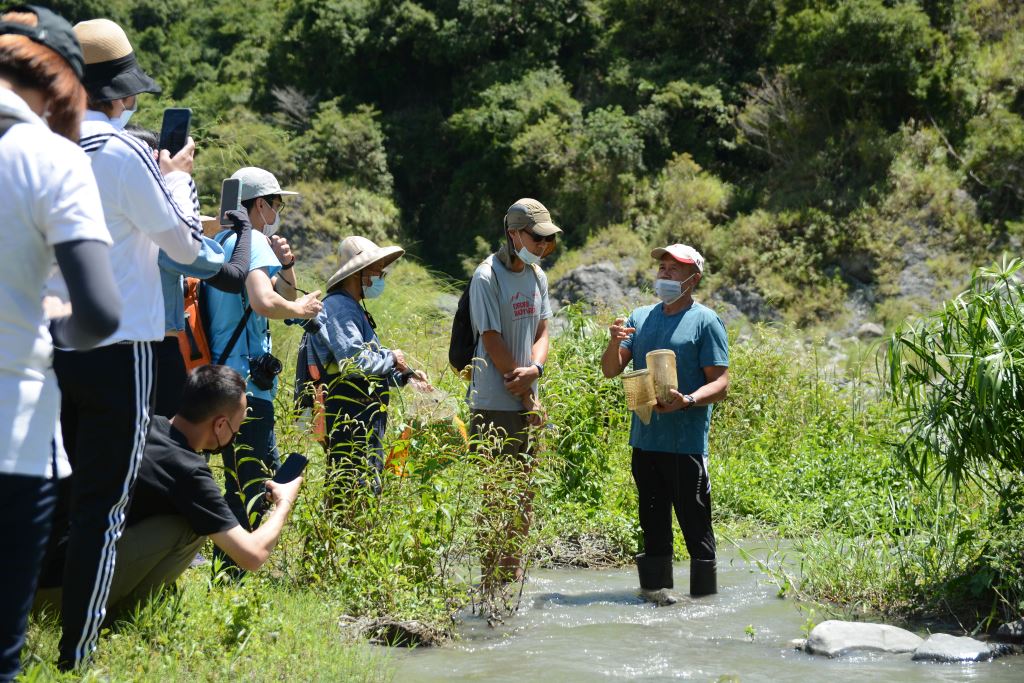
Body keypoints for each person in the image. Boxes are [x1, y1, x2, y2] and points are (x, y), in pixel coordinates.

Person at [42, 17, 204, 670]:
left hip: (48, 340)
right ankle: (76, 652)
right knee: (102, 507)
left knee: (43, 491)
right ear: (123, 92)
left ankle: (23, 623)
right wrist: (177, 176)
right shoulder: (123, 152)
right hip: (119, 347)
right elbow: (187, 246)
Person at [0, 7, 121, 681]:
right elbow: (100, 313)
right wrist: (54, 326)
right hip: (11, 438)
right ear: (63, 85)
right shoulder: (52, 159)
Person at [35, 365, 303, 620]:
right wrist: (284, 503)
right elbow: (252, 555)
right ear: (220, 425)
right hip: (62, 596)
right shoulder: (188, 470)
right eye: (237, 428)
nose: (235, 435)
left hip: (31, 575)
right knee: (192, 525)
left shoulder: (139, 426)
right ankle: (120, 613)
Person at [203, 166, 321, 569]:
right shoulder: (250, 241)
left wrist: (286, 266)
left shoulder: (221, 241)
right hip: (248, 388)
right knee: (260, 483)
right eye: (276, 203)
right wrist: (301, 307)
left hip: (220, 380)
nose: (278, 210)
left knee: (239, 481)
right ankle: (237, 574)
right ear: (257, 205)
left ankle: (228, 574)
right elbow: (264, 302)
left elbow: (276, 292)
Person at [601, 244, 729, 600]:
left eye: (675, 269)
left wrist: (687, 400)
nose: (666, 274)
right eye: (663, 267)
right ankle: (654, 597)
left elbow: (720, 383)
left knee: (696, 528)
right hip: (645, 442)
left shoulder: (706, 321)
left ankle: (705, 601)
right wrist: (613, 343)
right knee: (652, 526)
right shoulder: (640, 317)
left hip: (685, 445)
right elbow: (612, 370)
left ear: (694, 278)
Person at [123, 125, 253, 417]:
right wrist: (244, 231)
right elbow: (233, 278)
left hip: (98, 350)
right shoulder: (161, 232)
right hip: (156, 354)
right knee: (158, 445)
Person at [467, 198, 558, 586]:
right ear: (514, 233)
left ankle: (511, 578)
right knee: (495, 497)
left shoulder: (537, 276)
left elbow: (542, 331)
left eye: (548, 240)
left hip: (526, 402)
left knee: (523, 497)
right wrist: (526, 395)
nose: (542, 246)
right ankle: (490, 584)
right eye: (537, 238)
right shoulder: (487, 277)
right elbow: (491, 339)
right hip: (494, 404)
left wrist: (536, 369)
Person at [304, 236, 429, 499]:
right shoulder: (340, 308)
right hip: (351, 416)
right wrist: (391, 356)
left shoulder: (352, 307)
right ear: (358, 273)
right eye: (376, 271)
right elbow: (355, 363)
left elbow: (375, 368)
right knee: (353, 488)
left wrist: (407, 377)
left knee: (364, 485)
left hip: (363, 417)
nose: (380, 277)